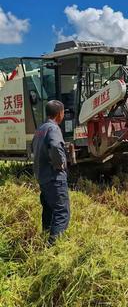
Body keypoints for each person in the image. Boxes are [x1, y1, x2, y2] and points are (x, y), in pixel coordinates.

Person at [32, 100, 70, 245]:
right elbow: (55, 146)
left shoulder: (40, 128)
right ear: (59, 113)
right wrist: (60, 163)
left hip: (42, 177)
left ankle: (45, 238)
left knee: (48, 212)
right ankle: (54, 246)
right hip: (54, 178)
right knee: (61, 212)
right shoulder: (53, 129)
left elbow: (33, 148)